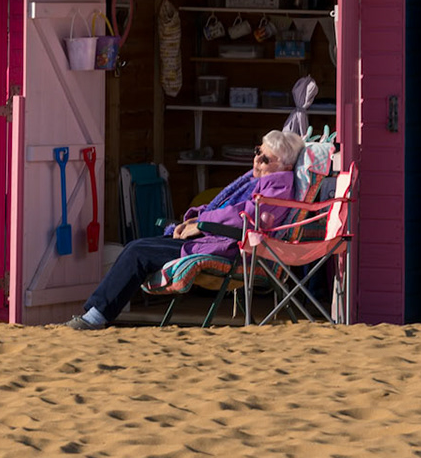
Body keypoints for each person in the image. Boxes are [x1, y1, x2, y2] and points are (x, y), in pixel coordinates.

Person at [64, 129, 304, 330]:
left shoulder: (278, 188)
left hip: (229, 248)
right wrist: (194, 218)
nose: (257, 160)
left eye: (264, 158)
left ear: (285, 165)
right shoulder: (260, 180)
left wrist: (200, 223)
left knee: (138, 252)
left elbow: (246, 216)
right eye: (257, 152)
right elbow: (228, 208)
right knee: (136, 249)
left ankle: (95, 317)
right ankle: (95, 314)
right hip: (214, 237)